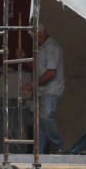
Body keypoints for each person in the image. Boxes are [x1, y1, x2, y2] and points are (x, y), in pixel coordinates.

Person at [24, 24, 65, 155]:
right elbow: (36, 67)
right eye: (35, 38)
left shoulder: (51, 47)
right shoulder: (40, 47)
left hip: (51, 90)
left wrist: (32, 85)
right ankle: (39, 152)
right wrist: (24, 57)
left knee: (45, 115)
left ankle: (57, 145)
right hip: (42, 90)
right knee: (40, 123)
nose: (38, 40)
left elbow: (51, 72)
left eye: (40, 37)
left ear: (45, 32)